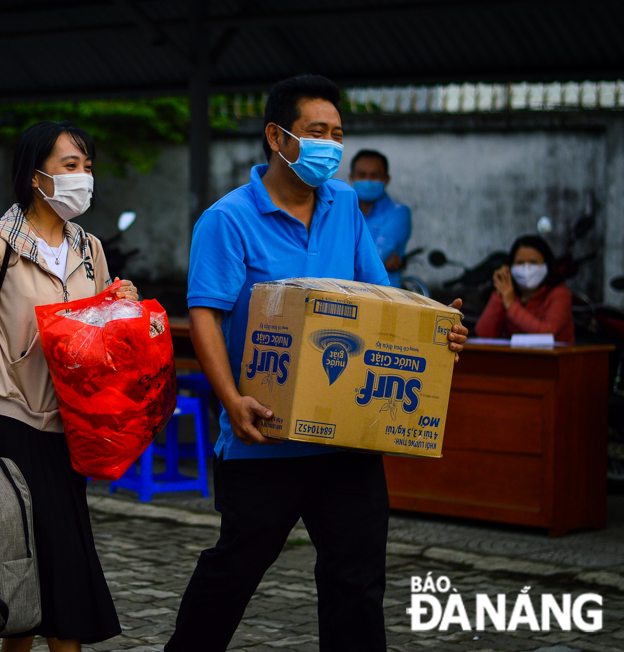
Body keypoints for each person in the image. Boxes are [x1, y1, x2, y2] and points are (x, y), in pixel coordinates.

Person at [165, 75, 467, 652]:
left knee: (356, 584)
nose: (331, 143)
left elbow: (383, 303)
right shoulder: (228, 219)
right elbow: (206, 315)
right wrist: (231, 400)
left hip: (346, 441)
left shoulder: (346, 204)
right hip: (264, 435)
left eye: (338, 133)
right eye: (316, 132)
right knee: (234, 573)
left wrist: (435, 330)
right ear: (277, 137)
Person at [0, 121, 136, 652]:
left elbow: (100, 338)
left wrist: (121, 302)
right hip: (9, 426)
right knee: (32, 572)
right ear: (36, 177)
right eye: (69, 166)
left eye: (87, 166)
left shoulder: (90, 249)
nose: (83, 178)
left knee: (43, 576)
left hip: (70, 433)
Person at [475, 234, 574, 343]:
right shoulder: (509, 292)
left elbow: (546, 332)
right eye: (520, 263)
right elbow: (483, 334)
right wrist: (499, 293)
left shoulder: (560, 294)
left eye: (534, 262)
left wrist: (511, 304)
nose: (526, 268)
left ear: (547, 265)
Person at [349, 149, 412, 287]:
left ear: (386, 179)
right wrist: (380, 262)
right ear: (351, 177)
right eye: (361, 175)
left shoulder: (399, 213)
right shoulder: (343, 212)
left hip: (385, 297)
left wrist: (375, 260)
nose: (368, 180)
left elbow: (375, 256)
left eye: (374, 175)